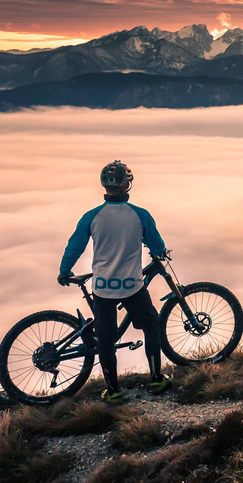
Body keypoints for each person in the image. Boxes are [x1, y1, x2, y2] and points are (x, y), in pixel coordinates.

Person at [58, 160, 171, 404]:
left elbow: (75, 245)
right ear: (127, 184)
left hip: (102, 288)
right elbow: (157, 246)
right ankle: (157, 379)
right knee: (152, 325)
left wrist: (64, 270)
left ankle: (113, 392)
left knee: (105, 340)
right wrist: (157, 250)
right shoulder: (140, 215)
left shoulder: (92, 216)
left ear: (104, 185)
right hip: (132, 287)